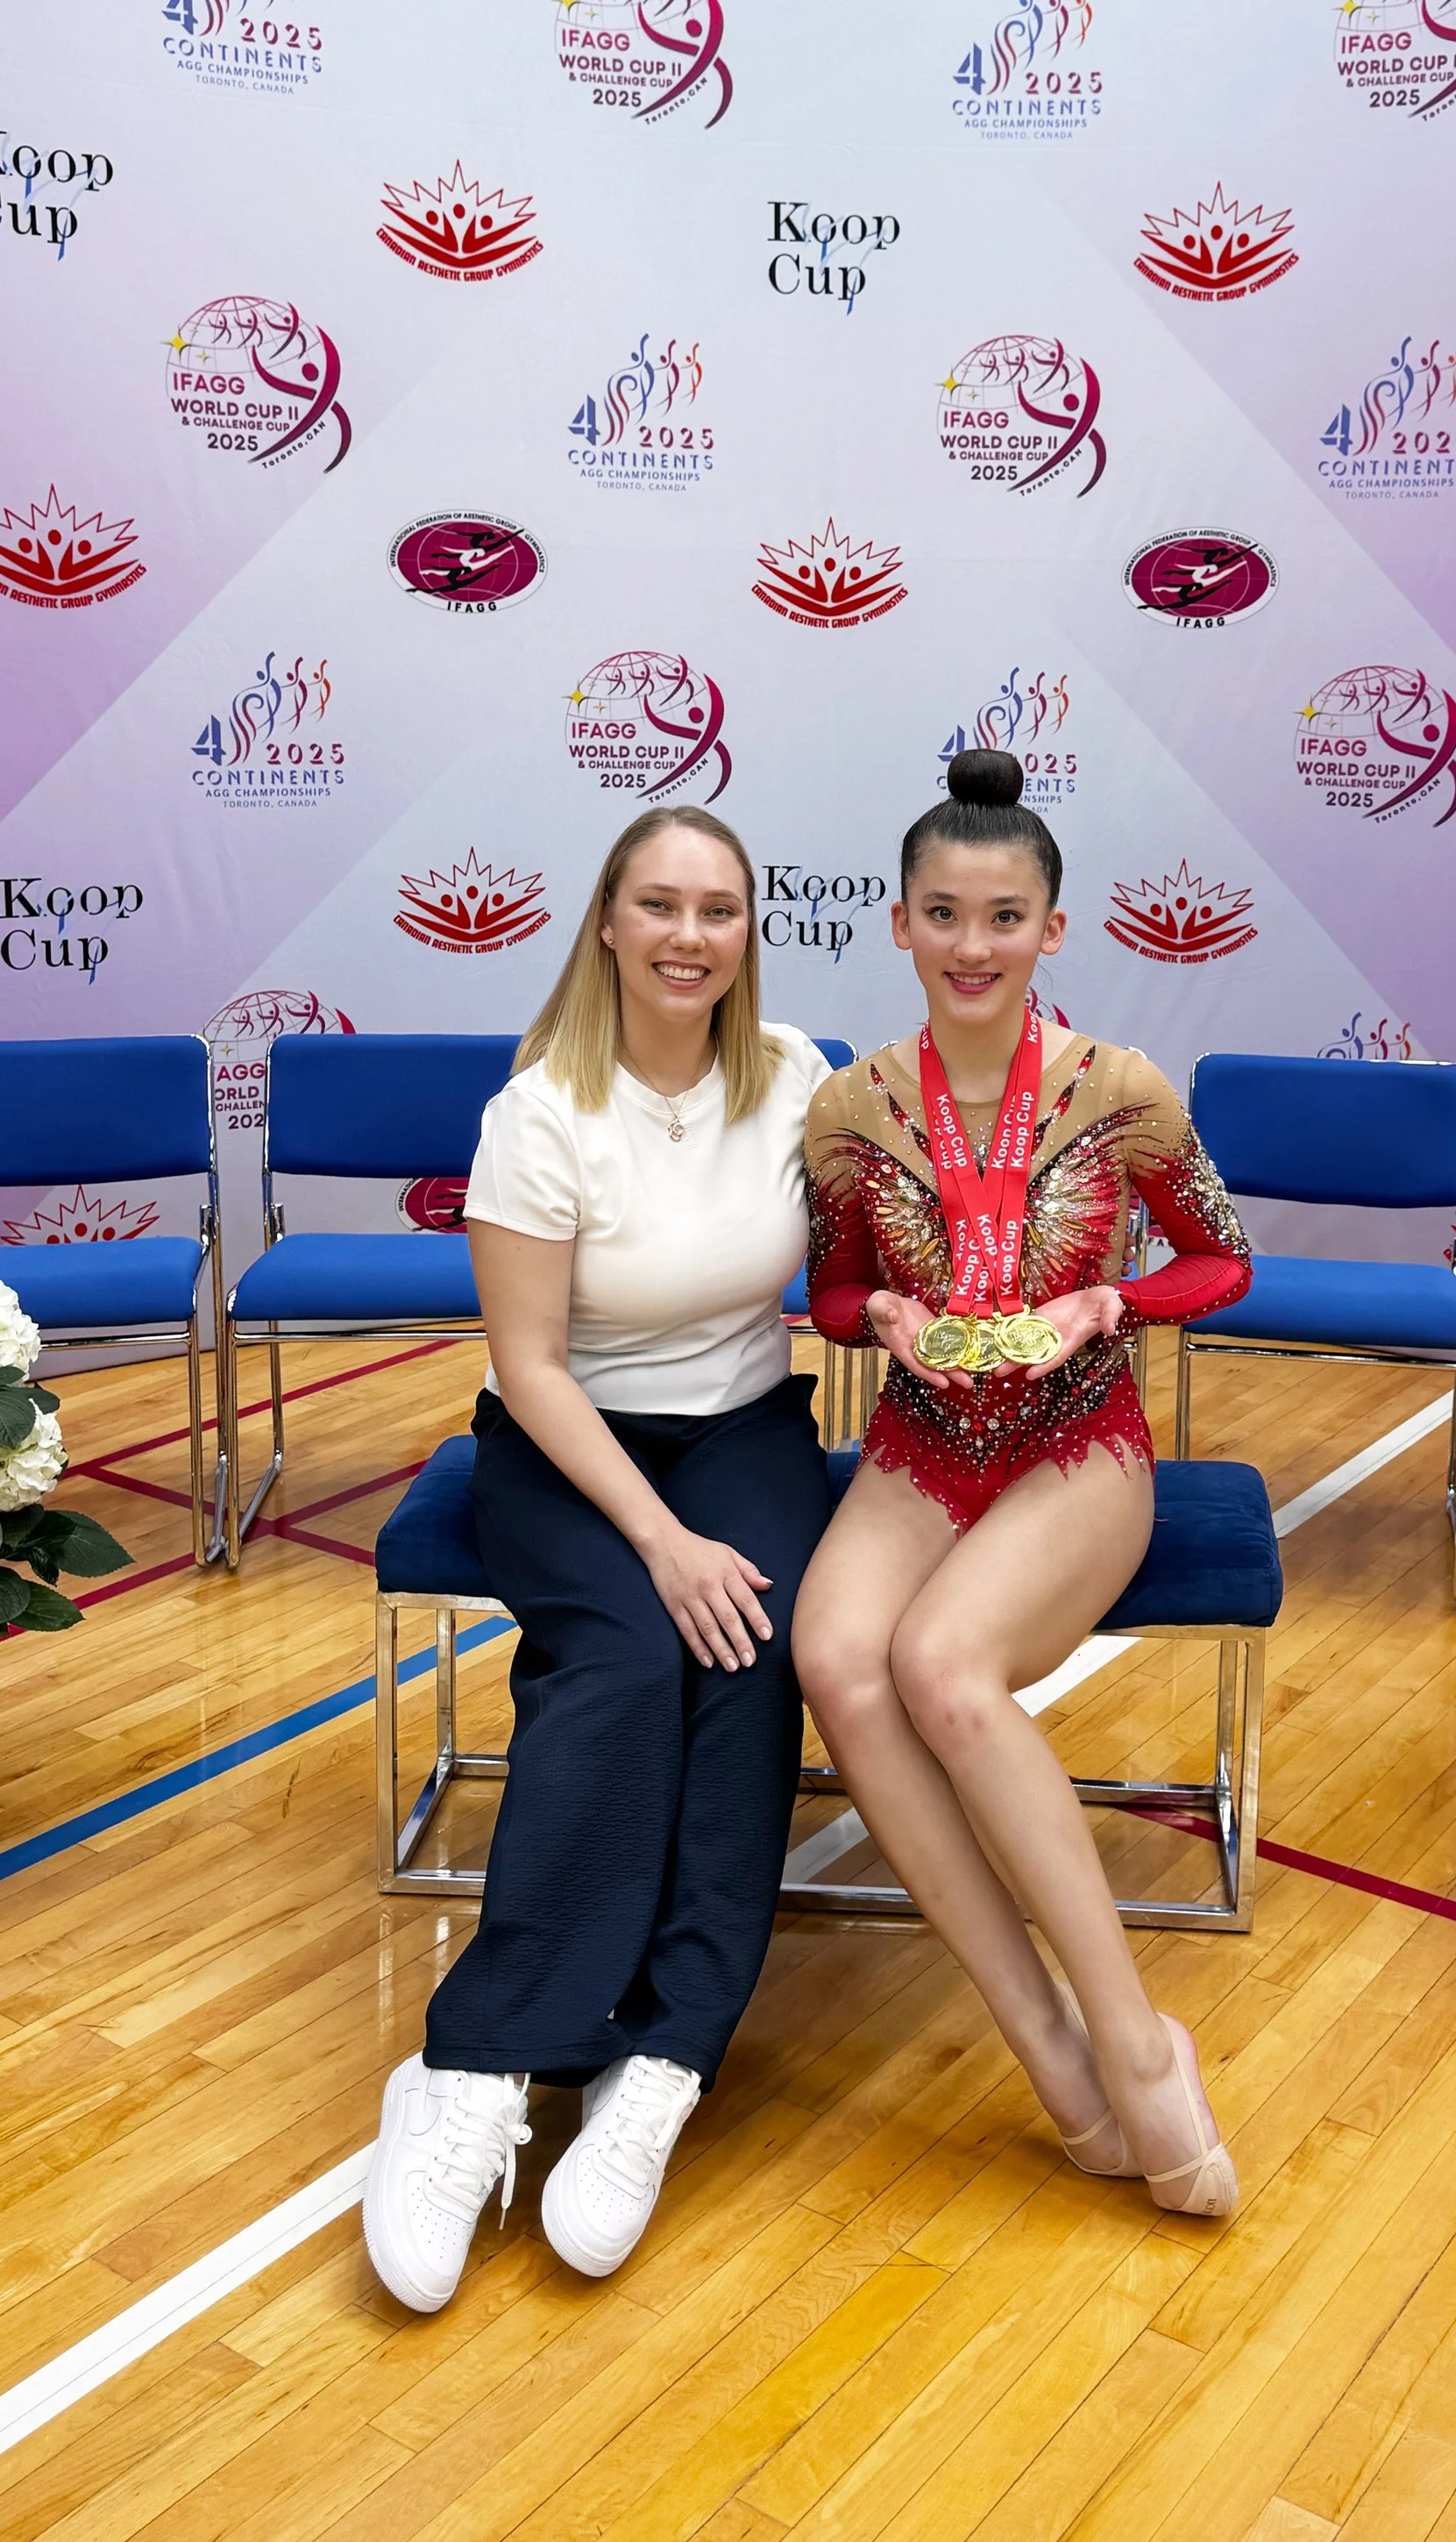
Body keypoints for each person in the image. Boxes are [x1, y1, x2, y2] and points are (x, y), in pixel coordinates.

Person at [363, 806, 834, 2311]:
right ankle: (480, 2063)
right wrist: (662, 1538)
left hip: (748, 1423)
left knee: (752, 1650)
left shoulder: (798, 1081)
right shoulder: (542, 1111)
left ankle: (666, 2053)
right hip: (569, 1445)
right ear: (610, 923)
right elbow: (535, 1364)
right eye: (660, 905)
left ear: (748, 931)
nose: (690, 934)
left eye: (720, 908)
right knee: (630, 1651)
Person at [794, 749, 1254, 2217]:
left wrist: (1108, 1305)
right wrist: (885, 1321)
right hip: (925, 1442)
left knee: (941, 1659)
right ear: (900, 924)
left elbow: (1221, 1254)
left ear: (1054, 928)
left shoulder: (1121, 1088)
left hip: (1077, 1442)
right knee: (834, 1655)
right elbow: (830, 1284)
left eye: (1004, 916)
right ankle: (1044, 2040)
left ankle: (1138, 2038)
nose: (973, 944)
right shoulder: (850, 1109)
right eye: (944, 913)